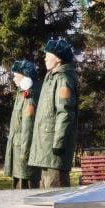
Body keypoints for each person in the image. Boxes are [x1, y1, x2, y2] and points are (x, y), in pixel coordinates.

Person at [27, 37, 80, 189]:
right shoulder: (50, 78)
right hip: (46, 149)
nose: (44, 58)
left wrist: (59, 143)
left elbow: (65, 112)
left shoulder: (63, 79)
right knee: (45, 193)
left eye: (48, 55)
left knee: (56, 193)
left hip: (54, 149)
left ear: (57, 59)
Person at [3, 59, 41, 190]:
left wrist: (25, 153)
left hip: (23, 152)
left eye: (16, 75)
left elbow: (28, 126)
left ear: (25, 76)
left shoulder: (29, 96)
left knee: (25, 189)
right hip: (18, 149)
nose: (13, 78)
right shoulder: (21, 94)